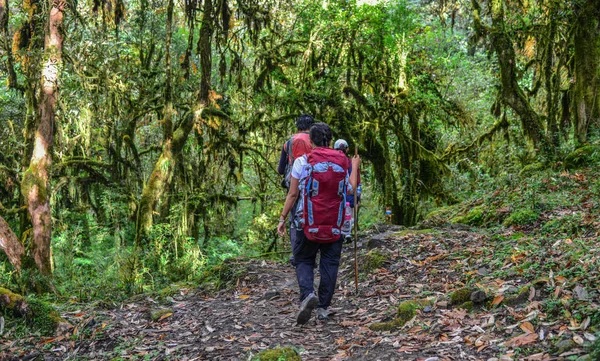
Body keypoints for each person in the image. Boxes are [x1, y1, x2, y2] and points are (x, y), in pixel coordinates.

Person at [277, 123, 361, 324]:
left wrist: (282, 218)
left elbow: (293, 193)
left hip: (307, 222)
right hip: (335, 223)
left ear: (311, 141)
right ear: (330, 141)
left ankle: (307, 295)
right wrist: (355, 165)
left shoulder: (302, 161)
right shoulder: (342, 161)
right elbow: (351, 190)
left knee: (304, 260)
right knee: (330, 263)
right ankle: (323, 307)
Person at [277, 114, 315, 263]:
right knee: (312, 215)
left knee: (294, 218)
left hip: (294, 182)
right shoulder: (315, 140)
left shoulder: (289, 142)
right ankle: (312, 252)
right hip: (313, 182)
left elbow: (281, 169)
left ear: (297, 127)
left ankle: (296, 253)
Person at [333, 139, 362, 243]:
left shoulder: (332, 162)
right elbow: (357, 181)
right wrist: (358, 194)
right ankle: (347, 234)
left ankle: (343, 234)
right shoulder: (352, 162)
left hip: (337, 194)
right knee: (348, 214)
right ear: (347, 149)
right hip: (348, 193)